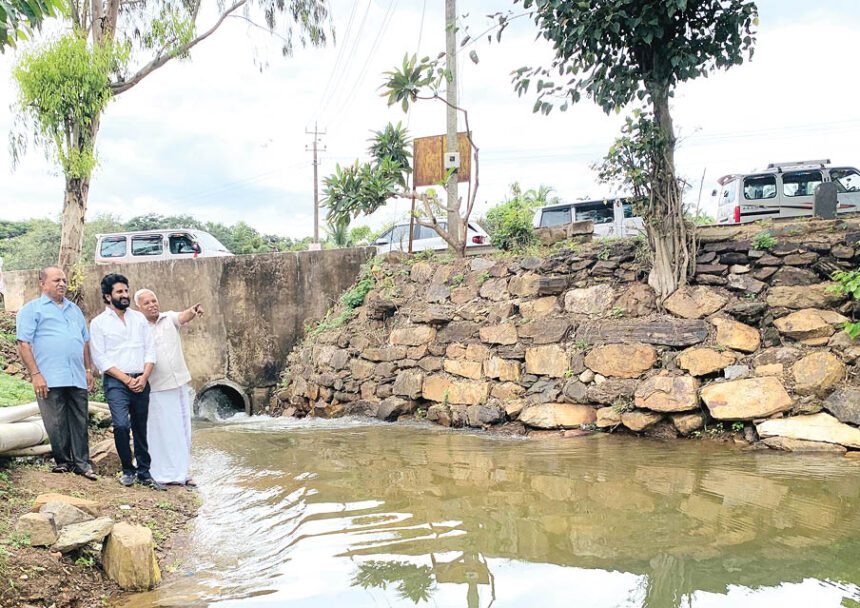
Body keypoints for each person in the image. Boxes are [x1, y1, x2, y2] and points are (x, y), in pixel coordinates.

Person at [15, 267, 97, 480]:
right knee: (56, 420)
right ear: (43, 284)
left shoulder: (74, 310)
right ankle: (63, 462)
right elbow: (24, 344)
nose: (62, 283)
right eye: (56, 280)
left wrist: (88, 370)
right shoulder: (32, 310)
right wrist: (36, 374)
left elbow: (84, 341)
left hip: (77, 374)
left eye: (64, 280)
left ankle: (82, 464)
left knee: (79, 419)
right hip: (49, 375)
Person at [89, 273, 164, 490]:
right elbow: (100, 358)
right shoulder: (99, 323)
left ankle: (144, 472)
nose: (124, 295)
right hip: (116, 382)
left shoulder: (139, 319)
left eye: (126, 291)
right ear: (107, 296)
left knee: (141, 427)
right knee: (121, 425)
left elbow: (150, 350)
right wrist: (125, 379)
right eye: (119, 292)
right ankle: (127, 469)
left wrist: (144, 377)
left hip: (141, 379)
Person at [134, 288, 203, 486]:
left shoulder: (168, 318)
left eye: (154, 300)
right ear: (138, 308)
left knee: (181, 430)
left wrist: (193, 311)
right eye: (146, 303)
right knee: (159, 431)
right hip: (156, 387)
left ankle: (181, 472)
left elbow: (183, 316)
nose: (152, 305)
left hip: (178, 384)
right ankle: (159, 472)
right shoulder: (138, 328)